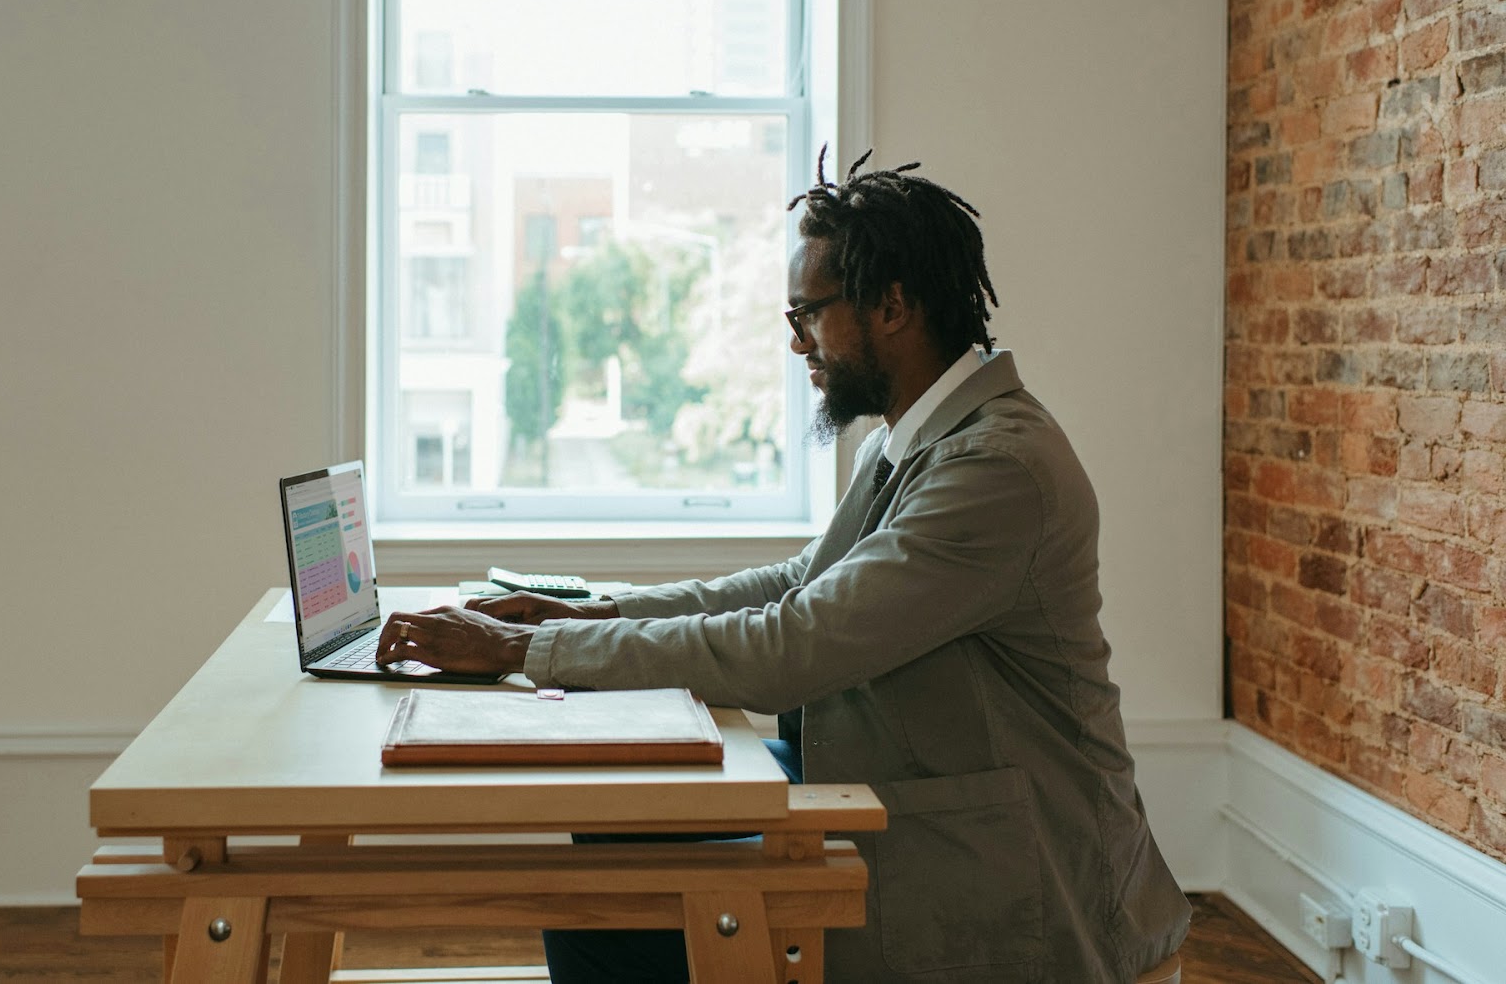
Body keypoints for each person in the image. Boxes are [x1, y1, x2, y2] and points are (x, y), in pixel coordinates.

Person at [377, 148, 1191, 983]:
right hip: (902, 795)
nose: (798, 343)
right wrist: (592, 617)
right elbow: (796, 585)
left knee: (603, 906)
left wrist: (521, 653)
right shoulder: (912, 442)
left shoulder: (996, 471)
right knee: (608, 853)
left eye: (808, 314)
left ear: (893, 306)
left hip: (1018, 878)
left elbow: (792, 645)